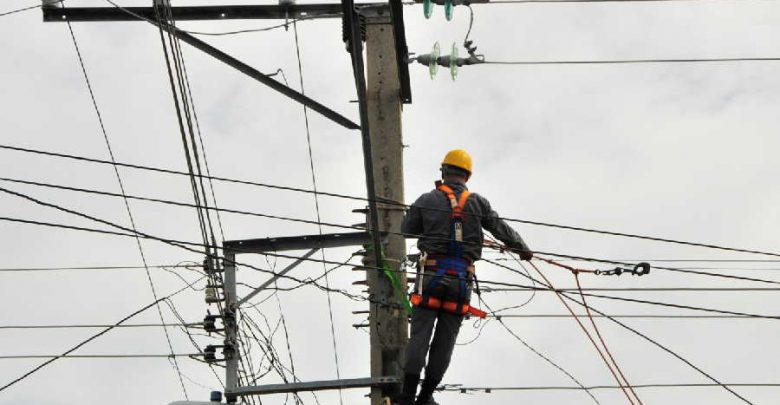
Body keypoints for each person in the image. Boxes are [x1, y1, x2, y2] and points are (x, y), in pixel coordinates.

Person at [399, 149, 533, 405]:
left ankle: (407, 396)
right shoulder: (478, 203)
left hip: (430, 276)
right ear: (467, 176)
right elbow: (500, 227)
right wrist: (522, 249)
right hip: (461, 282)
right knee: (445, 342)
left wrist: (430, 221)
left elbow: (406, 230)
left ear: (444, 171)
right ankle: (425, 398)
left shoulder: (428, 198)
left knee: (420, 336)